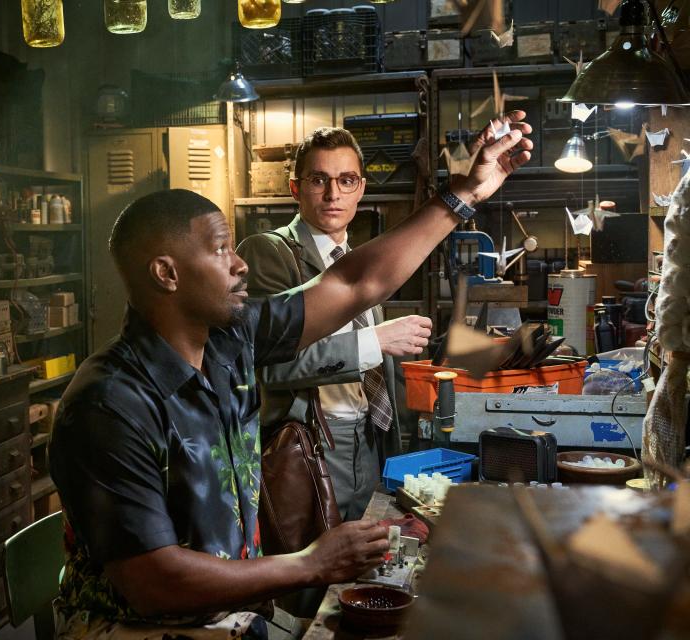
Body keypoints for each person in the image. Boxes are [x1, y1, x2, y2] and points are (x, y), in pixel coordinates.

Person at [49, 111, 532, 640]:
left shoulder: (229, 342)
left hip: (223, 611)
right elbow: (152, 581)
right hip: (131, 624)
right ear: (167, 273)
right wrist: (309, 563)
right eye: (218, 250)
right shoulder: (109, 403)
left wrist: (465, 194)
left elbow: (354, 283)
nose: (241, 266)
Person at [236, 127, 431, 528]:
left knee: (365, 567)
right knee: (313, 573)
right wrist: (374, 340)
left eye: (346, 181)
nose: (333, 194)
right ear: (295, 188)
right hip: (312, 445)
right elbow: (269, 366)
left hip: (371, 440)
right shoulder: (269, 253)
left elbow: (378, 374)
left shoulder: (359, 261)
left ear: (360, 189)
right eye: (318, 180)